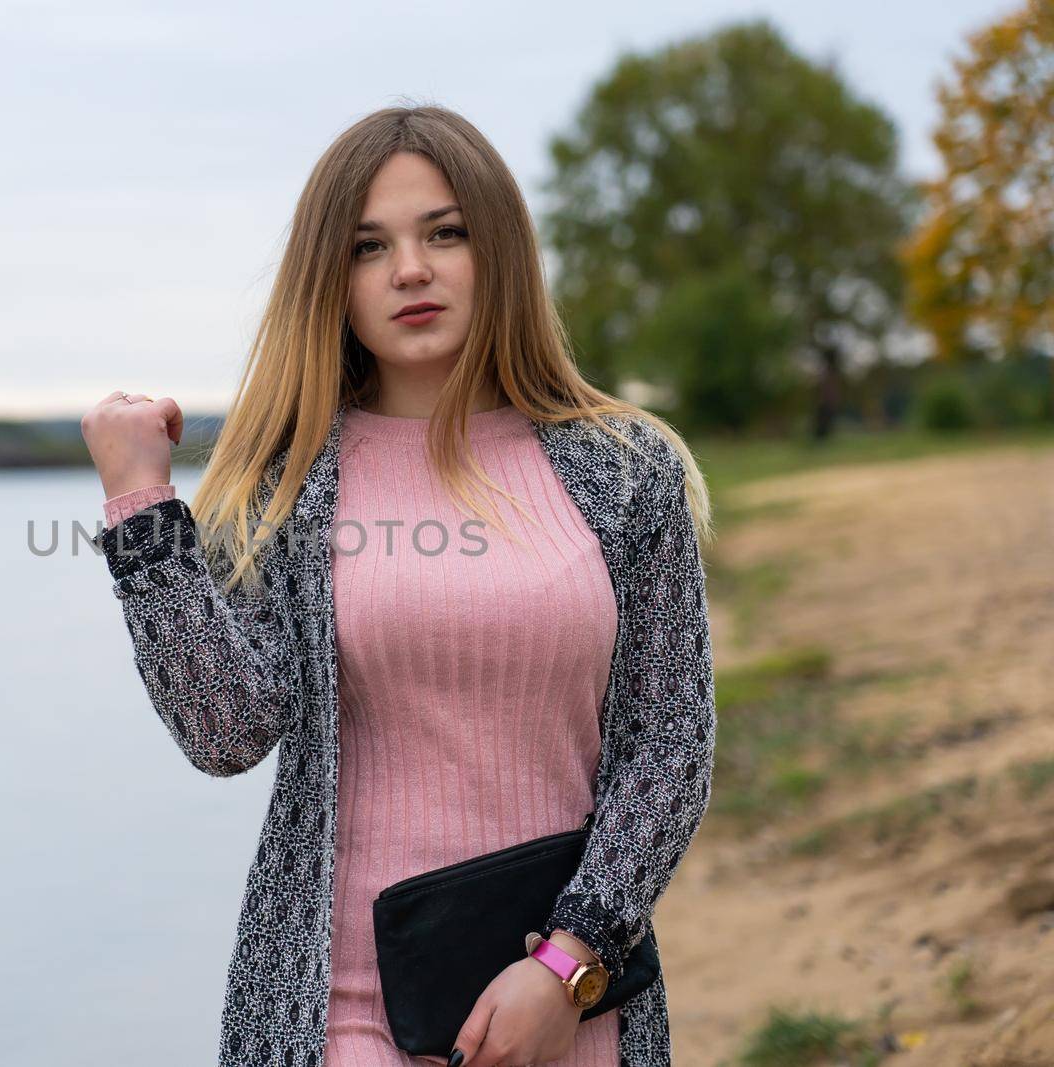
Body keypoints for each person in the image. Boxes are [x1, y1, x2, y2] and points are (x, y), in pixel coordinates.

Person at [81, 104, 716, 1067]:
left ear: (498, 249)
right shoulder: (286, 483)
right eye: (368, 247)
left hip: (566, 1005)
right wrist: (140, 505)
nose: (409, 269)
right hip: (338, 1010)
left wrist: (567, 963)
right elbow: (226, 731)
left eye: (444, 233)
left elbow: (667, 746)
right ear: (330, 282)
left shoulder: (624, 470)